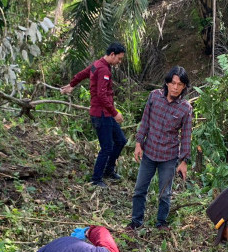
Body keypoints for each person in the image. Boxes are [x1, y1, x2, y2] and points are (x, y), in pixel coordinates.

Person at [125, 66, 192, 231]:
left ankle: (161, 223)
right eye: (173, 83)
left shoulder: (185, 108)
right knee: (139, 189)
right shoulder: (154, 97)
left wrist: (184, 161)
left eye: (180, 84)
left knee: (165, 194)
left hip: (168, 157)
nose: (175, 87)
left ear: (184, 87)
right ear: (167, 83)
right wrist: (139, 143)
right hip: (149, 152)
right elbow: (145, 120)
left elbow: (186, 136)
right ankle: (136, 222)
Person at [61, 42, 127, 187]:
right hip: (101, 114)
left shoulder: (97, 64)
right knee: (107, 147)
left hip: (106, 114)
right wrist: (115, 113)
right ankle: (96, 179)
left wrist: (72, 85)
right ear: (112, 55)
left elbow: (82, 74)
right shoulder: (103, 69)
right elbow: (101, 95)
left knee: (121, 140)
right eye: (119, 59)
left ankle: (109, 170)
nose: (119, 62)